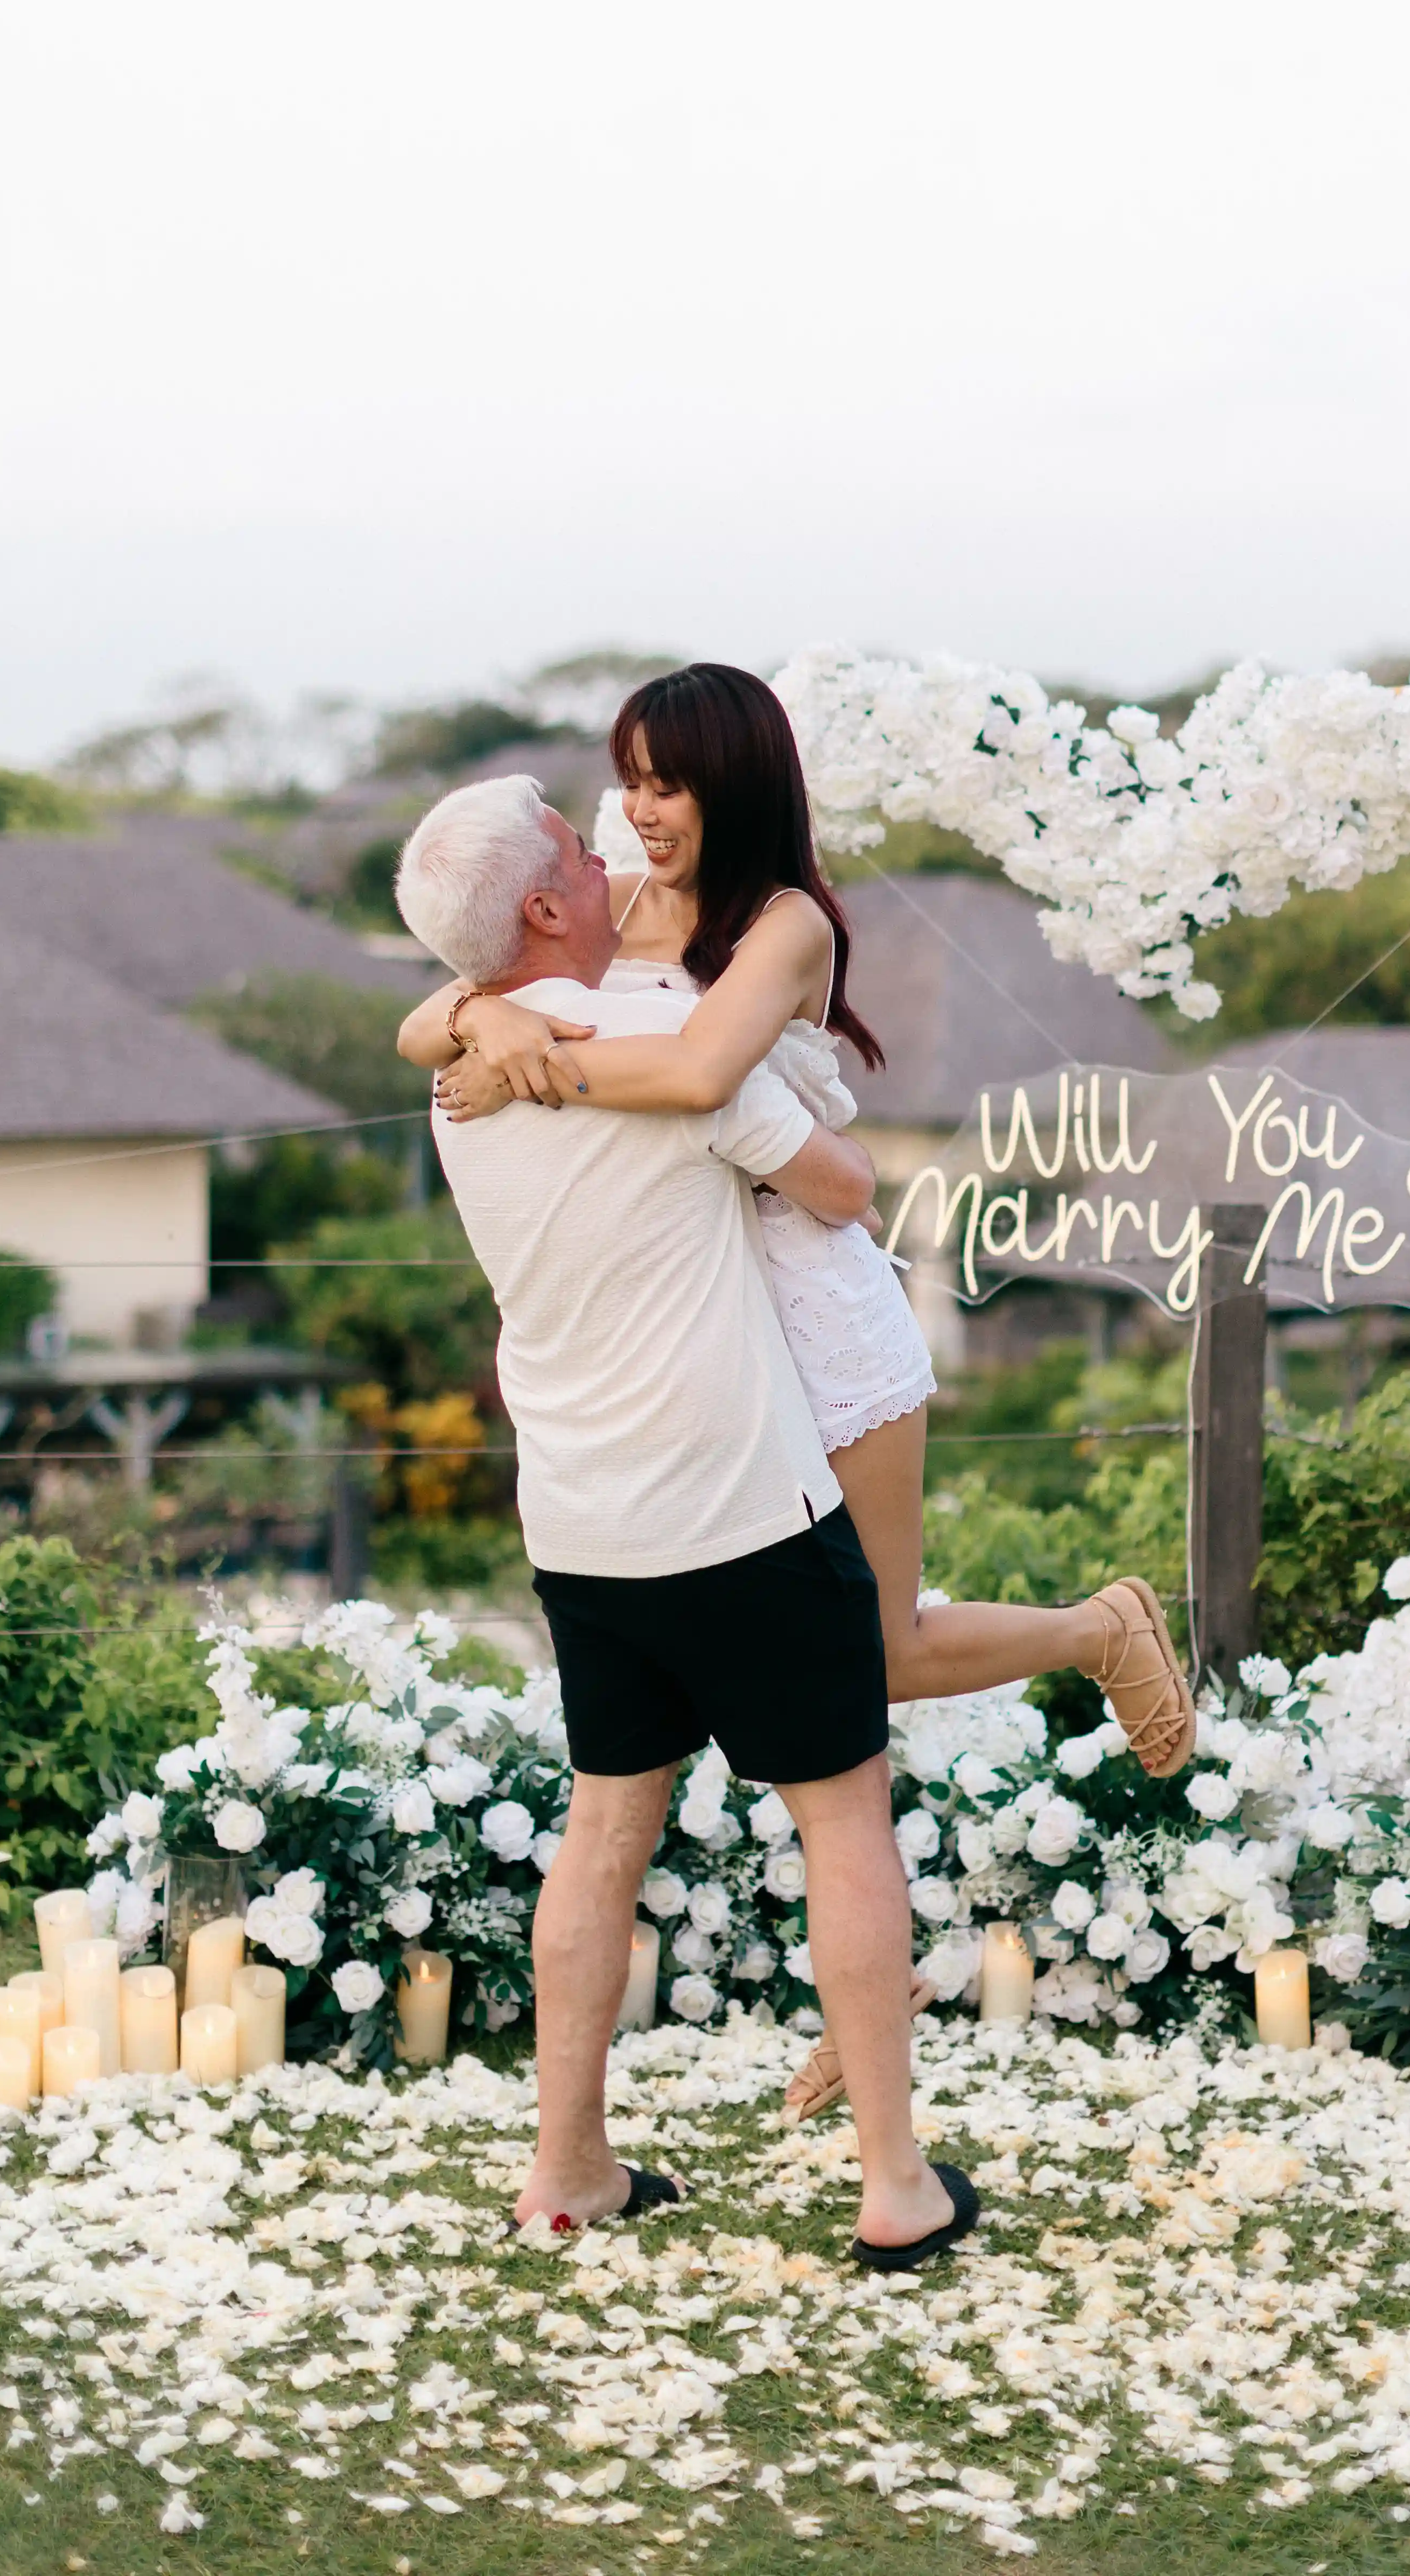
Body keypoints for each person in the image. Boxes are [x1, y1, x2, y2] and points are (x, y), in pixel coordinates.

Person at [398, 663, 1193, 2118]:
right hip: (716, 1319)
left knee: (871, 1661)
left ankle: (1097, 1634)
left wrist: (524, 1046)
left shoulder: (784, 927)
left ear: (736, 787)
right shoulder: (618, 894)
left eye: (667, 783)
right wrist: (466, 1022)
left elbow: (703, 1074)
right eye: (626, 779)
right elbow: (457, 987)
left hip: (820, 1314)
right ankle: (870, 1986)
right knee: (831, 1701)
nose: (636, 812)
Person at [394, 769, 978, 2267]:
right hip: (742, 1508)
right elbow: (845, 1188)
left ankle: (569, 2166)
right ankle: (897, 2186)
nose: (606, 855)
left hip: (583, 1525)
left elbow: (454, 1019)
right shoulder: (663, 1039)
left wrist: (484, 1013)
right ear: (542, 906)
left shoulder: (459, 1079)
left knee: (604, 1830)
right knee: (845, 1826)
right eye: (569, 848)